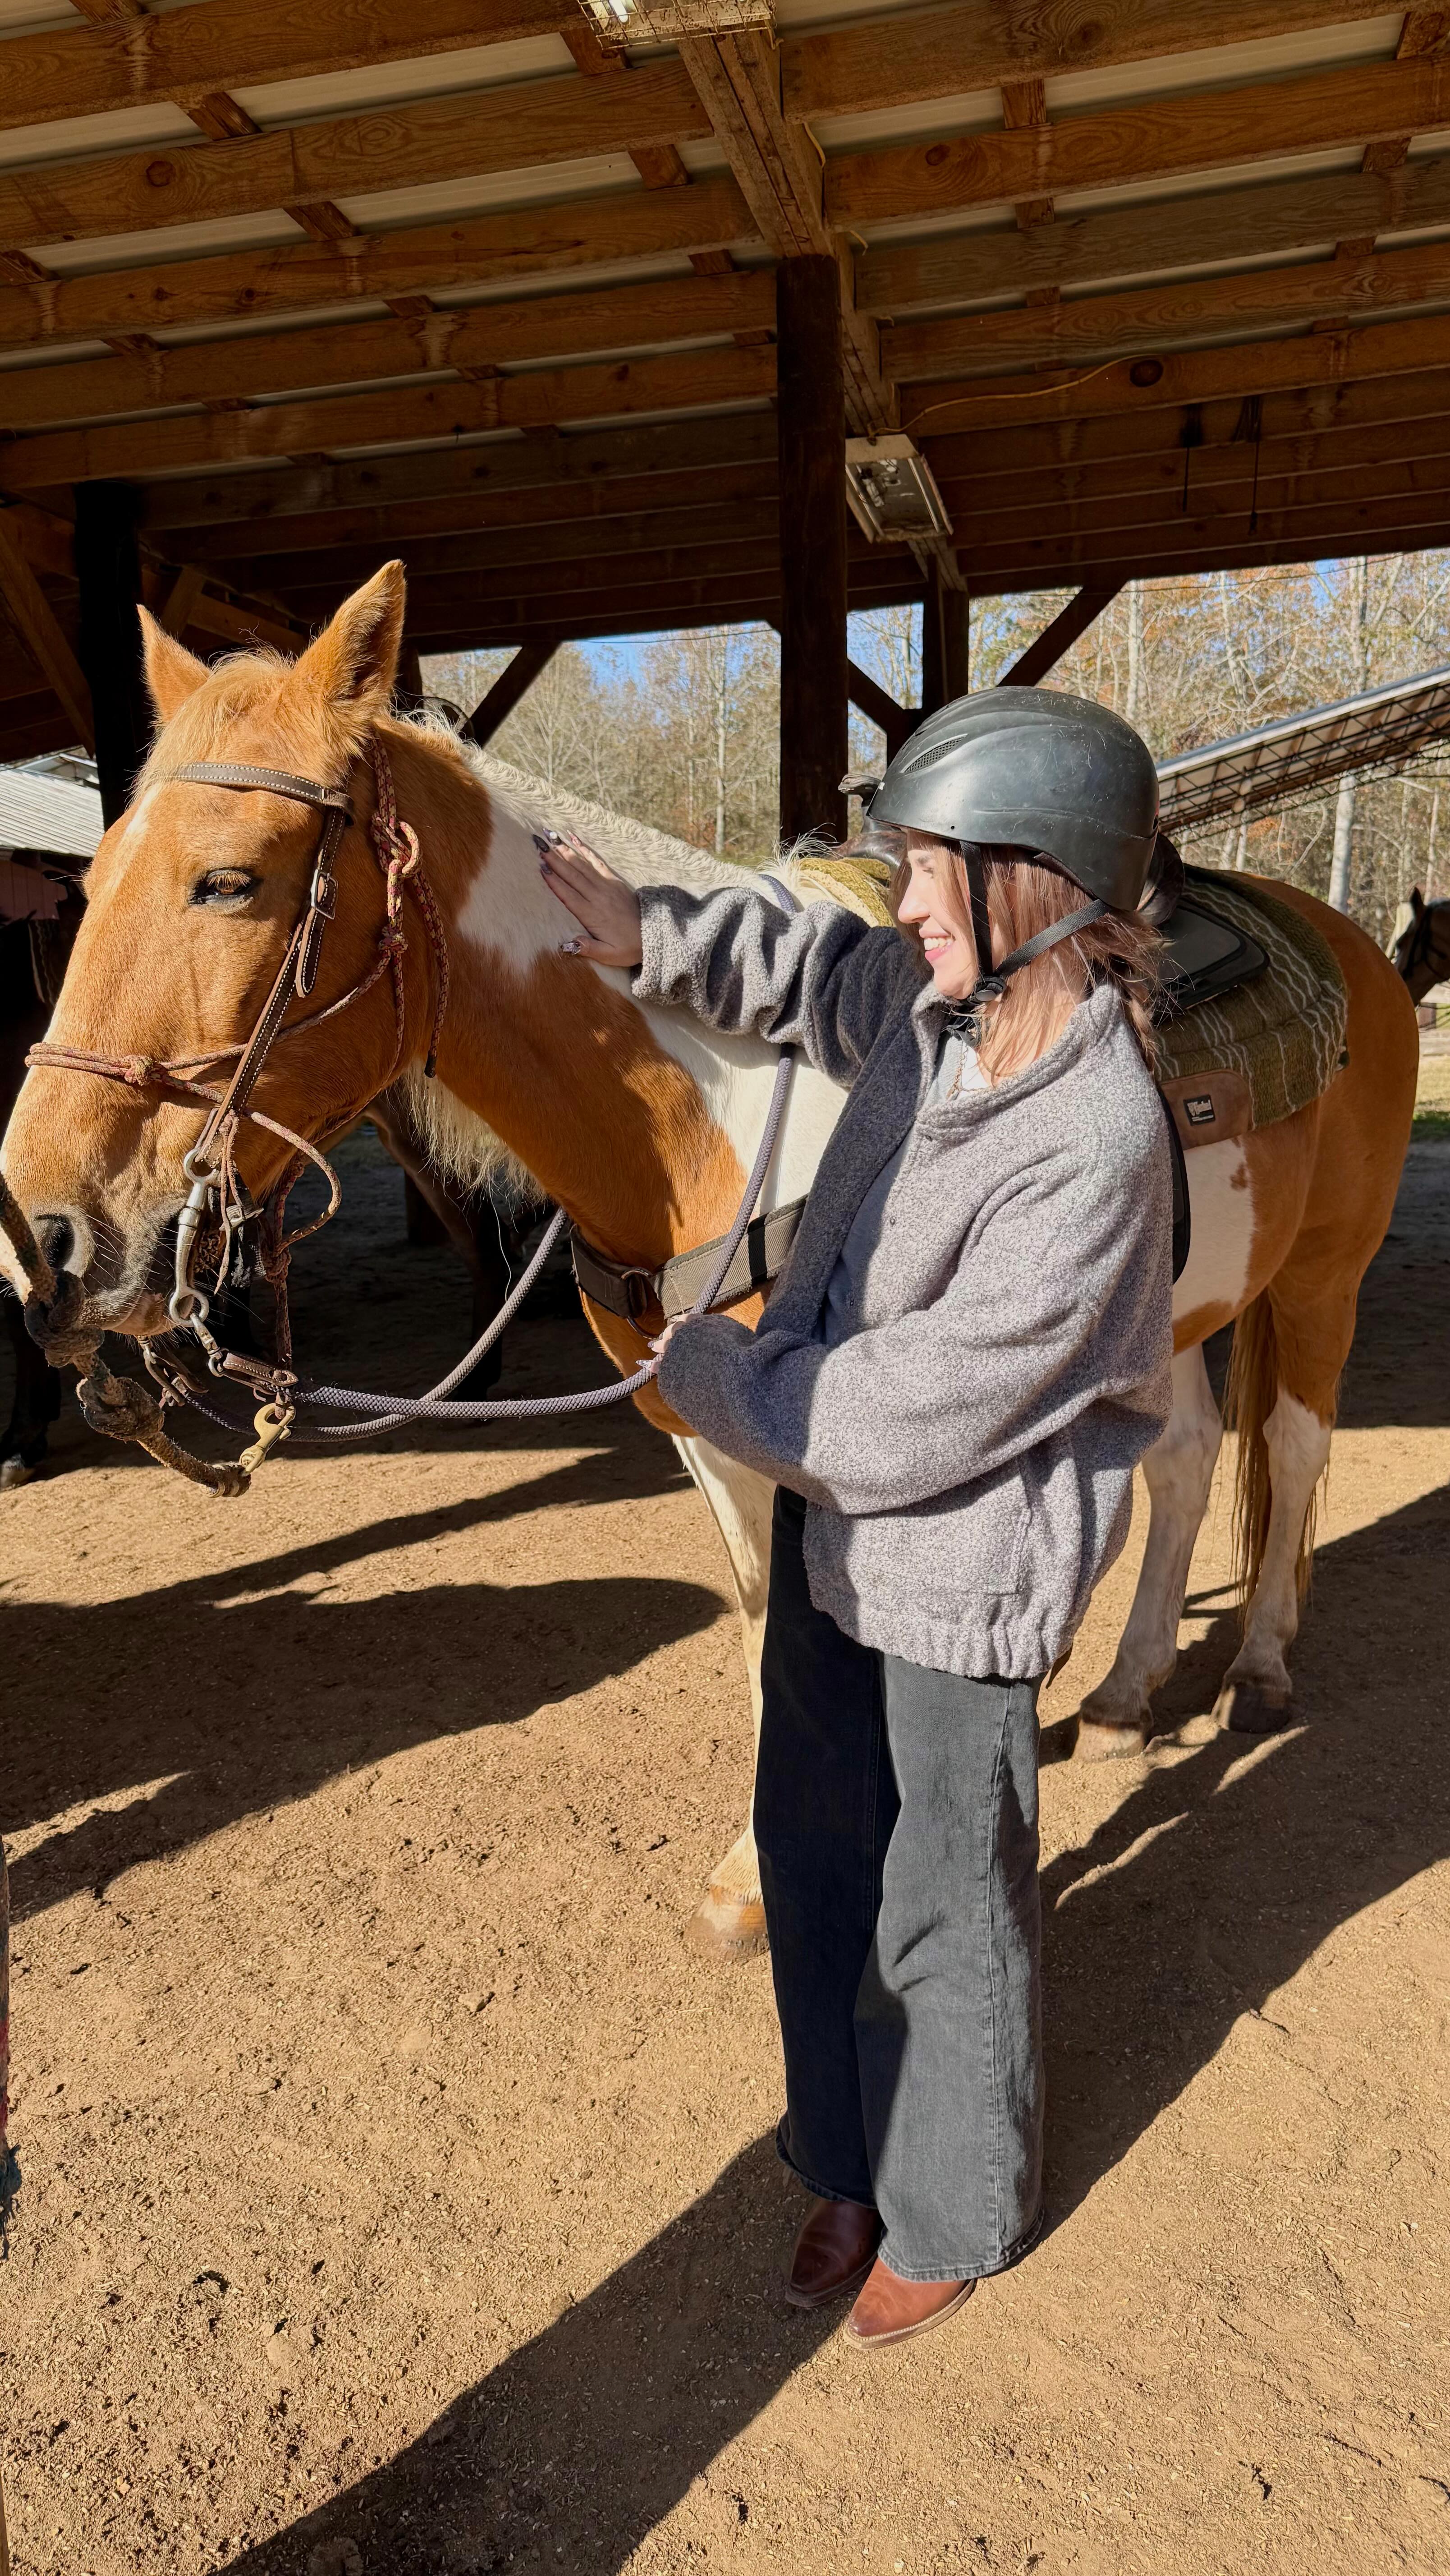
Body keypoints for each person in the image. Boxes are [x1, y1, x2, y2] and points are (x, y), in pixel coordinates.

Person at [539, 688, 1175, 2350]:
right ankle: (844, 2152)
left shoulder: (1097, 1140)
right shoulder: (938, 1008)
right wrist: (640, 930)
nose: (899, 909)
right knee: (821, 1863)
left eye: (926, 875)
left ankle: (957, 2207)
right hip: (840, 1546)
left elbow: (922, 1408)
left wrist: (716, 1385)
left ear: (1034, 882)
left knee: (947, 1902)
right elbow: (808, 973)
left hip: (959, 1577)